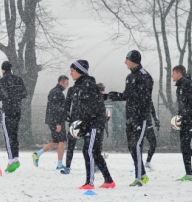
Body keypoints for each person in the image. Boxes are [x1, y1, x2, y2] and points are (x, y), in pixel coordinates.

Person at [108, 50, 153, 187]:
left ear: (133, 60)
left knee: (136, 145)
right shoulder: (129, 77)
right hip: (131, 117)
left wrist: (138, 111)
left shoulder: (145, 77)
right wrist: (115, 96)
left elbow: (143, 98)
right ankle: (144, 175)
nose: (124, 62)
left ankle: (138, 178)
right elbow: (127, 95)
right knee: (131, 146)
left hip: (141, 117)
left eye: (126, 59)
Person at [67, 60, 115, 189]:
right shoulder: (80, 85)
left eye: (72, 71)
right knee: (95, 152)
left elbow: (93, 107)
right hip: (90, 123)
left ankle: (90, 182)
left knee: (89, 150)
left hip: (94, 123)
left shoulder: (87, 85)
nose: (70, 74)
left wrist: (85, 124)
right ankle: (109, 181)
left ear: (80, 71)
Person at [33, 75, 69, 170]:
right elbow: (56, 109)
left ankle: (37, 154)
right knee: (62, 142)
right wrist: (58, 123)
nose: (67, 85)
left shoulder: (55, 92)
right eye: (66, 83)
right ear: (61, 82)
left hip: (53, 120)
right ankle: (60, 164)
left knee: (56, 142)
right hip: (56, 121)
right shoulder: (57, 93)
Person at [0, 61, 28, 173]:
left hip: (7, 110)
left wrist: (8, 97)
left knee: (7, 135)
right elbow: (25, 93)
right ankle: (16, 157)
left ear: (3, 70)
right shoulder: (18, 79)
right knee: (14, 134)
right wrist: (16, 97)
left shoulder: (2, 81)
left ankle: (11, 161)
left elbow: (1, 96)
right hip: (17, 110)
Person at [60, 81, 77, 175]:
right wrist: (66, 113)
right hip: (74, 120)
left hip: (86, 120)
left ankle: (95, 165)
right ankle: (67, 166)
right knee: (71, 145)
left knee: (89, 146)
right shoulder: (72, 90)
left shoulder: (88, 88)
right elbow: (67, 103)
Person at [145, 100, 159, 170]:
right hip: (139, 126)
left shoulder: (148, 98)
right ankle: (137, 162)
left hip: (148, 126)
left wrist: (156, 120)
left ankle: (148, 161)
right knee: (138, 145)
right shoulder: (137, 97)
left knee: (153, 144)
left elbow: (153, 110)